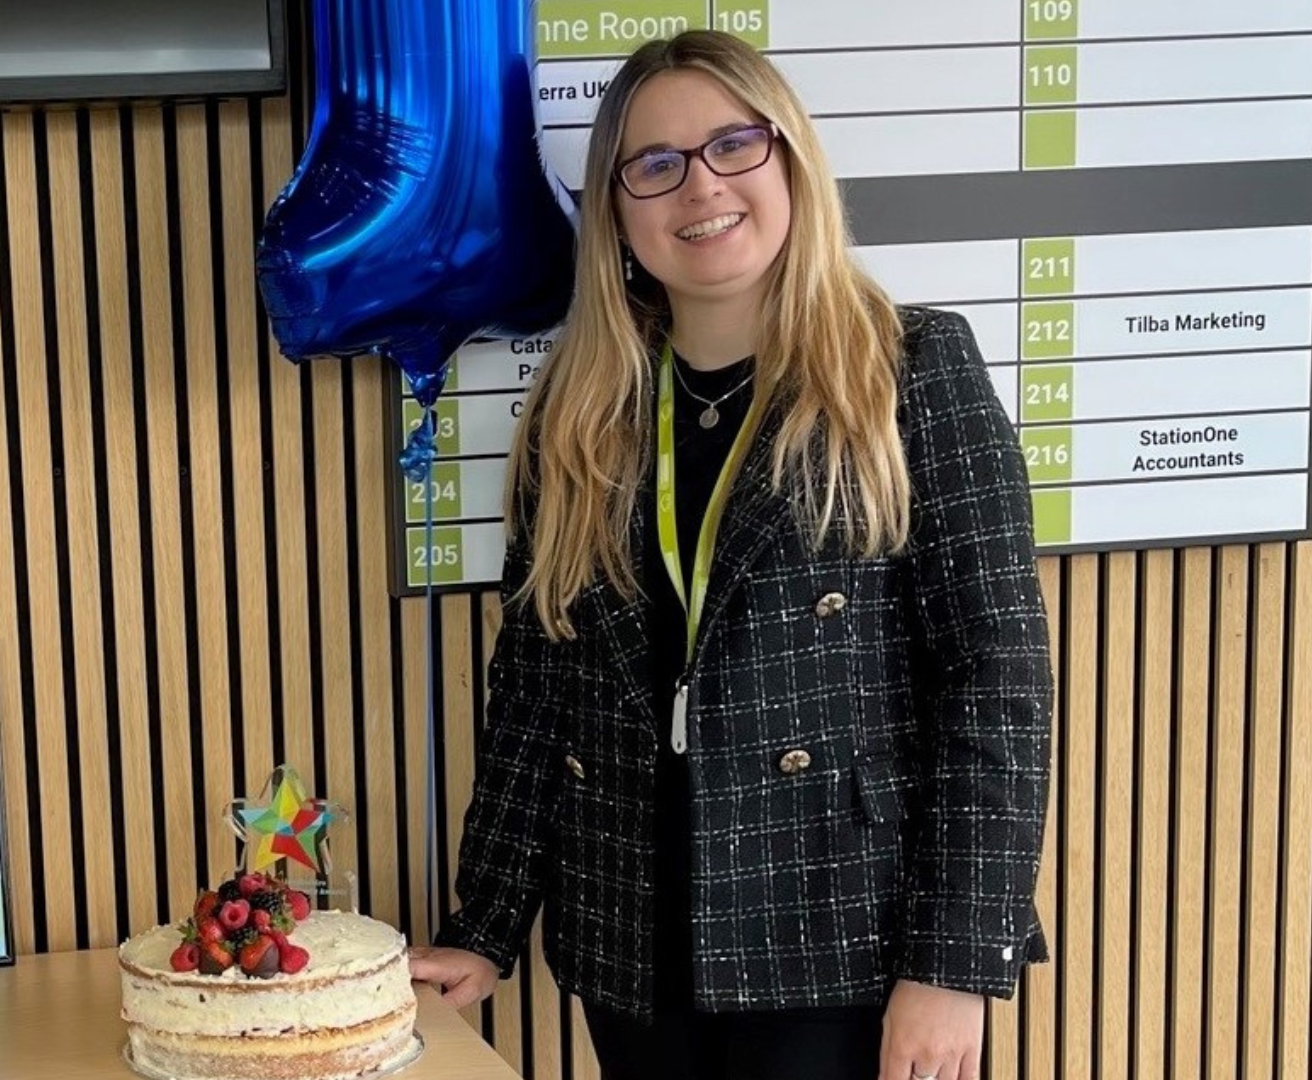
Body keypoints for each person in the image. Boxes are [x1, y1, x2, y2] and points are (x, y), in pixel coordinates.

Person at [408, 29, 1053, 1080]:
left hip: (845, 947)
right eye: (654, 165)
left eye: (732, 146)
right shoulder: (576, 420)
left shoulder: (911, 372)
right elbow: (533, 695)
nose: (698, 185)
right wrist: (483, 923)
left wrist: (952, 965)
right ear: (617, 215)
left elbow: (997, 685)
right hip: (633, 945)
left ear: (790, 160)